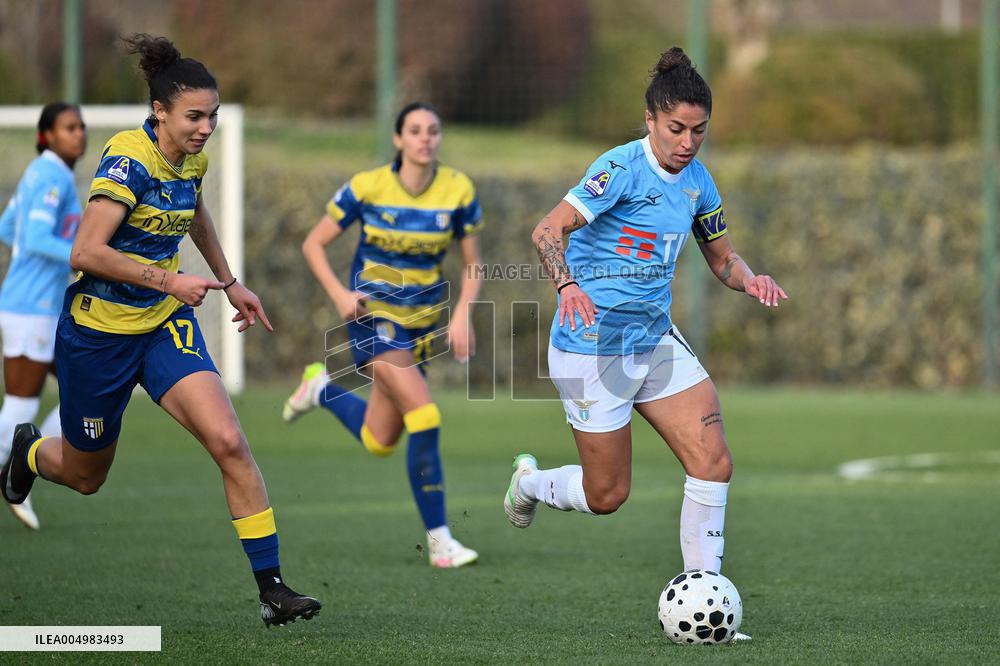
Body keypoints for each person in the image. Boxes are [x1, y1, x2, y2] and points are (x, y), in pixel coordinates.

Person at [0, 34, 321, 626]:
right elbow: (85, 252)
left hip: (161, 328)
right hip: (97, 333)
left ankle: (273, 590)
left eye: (213, 117)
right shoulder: (127, 159)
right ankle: (30, 452)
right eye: (194, 117)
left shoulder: (191, 158)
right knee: (85, 475)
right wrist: (170, 281)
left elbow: (193, 208)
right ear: (160, 113)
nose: (206, 128)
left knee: (229, 441)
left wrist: (229, 281)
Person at [504, 47, 787, 638]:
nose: (688, 142)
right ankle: (529, 482)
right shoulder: (620, 169)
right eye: (677, 129)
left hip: (653, 341)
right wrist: (567, 285)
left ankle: (706, 604)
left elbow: (723, 259)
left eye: (700, 131)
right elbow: (546, 229)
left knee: (713, 461)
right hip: (590, 349)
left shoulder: (699, 183)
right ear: (651, 120)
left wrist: (750, 278)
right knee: (607, 495)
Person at [282, 102, 483, 568]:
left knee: (379, 439)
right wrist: (337, 292)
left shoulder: (457, 190)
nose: (425, 138)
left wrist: (461, 316)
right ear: (398, 139)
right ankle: (440, 543)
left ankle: (322, 389)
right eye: (414, 130)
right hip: (372, 322)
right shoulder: (368, 186)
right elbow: (313, 243)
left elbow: (474, 265)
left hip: (420, 327)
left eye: (433, 130)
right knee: (427, 417)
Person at [0, 103, 87, 530]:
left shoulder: (39, 172)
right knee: (19, 405)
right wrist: (81, 259)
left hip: (32, 306)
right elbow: (33, 237)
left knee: (82, 381)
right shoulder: (52, 176)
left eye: (81, 127)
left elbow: (5, 227)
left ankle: (23, 462)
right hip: (32, 309)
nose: (79, 134)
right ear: (46, 135)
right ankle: (18, 466)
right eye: (69, 128)